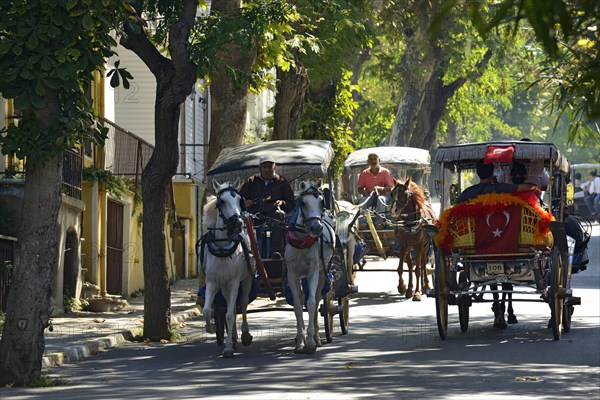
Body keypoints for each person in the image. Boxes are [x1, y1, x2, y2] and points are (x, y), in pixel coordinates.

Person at [239, 155, 295, 256]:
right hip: (255, 214)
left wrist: (282, 203)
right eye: (264, 167)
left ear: (274, 168)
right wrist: (245, 203)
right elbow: (239, 200)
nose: (267, 169)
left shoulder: (282, 181)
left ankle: (276, 252)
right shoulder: (251, 181)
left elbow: (291, 202)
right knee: (246, 218)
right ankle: (250, 251)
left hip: (273, 215)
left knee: (280, 216)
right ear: (260, 168)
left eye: (270, 167)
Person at [456, 159, 540, 204]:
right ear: (492, 173)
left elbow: (456, 206)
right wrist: (535, 187)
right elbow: (528, 187)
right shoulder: (499, 188)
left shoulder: (467, 192)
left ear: (478, 173)